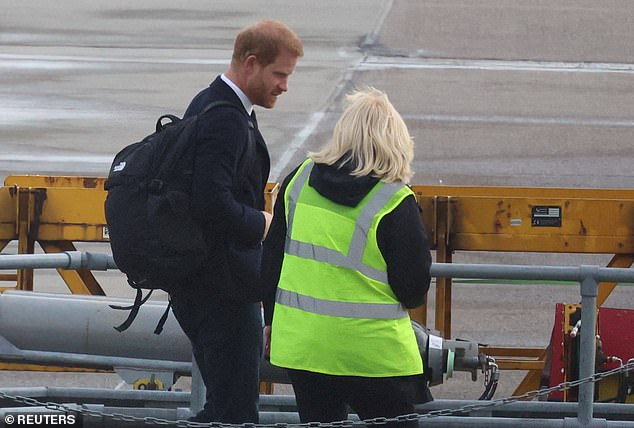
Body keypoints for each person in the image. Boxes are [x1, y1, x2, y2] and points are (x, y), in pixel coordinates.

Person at [262, 87, 433, 426]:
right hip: (373, 354)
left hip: (305, 348)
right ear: (396, 141)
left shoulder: (297, 181)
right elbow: (413, 290)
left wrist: (270, 322)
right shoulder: (394, 200)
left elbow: (272, 262)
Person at [168, 19, 303, 423]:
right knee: (236, 415)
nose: (284, 86)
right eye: (279, 74)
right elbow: (211, 204)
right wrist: (263, 223)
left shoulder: (210, 104)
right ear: (250, 63)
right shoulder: (225, 119)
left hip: (206, 285)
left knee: (221, 410)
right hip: (221, 291)